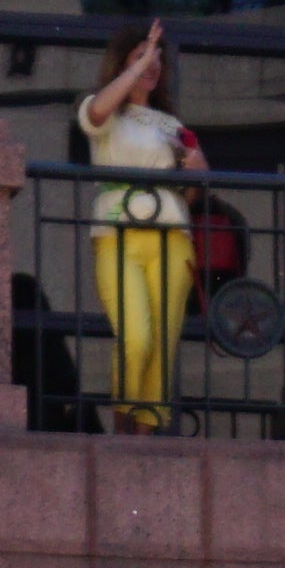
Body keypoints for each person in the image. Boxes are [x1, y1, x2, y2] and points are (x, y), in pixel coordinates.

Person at [72, 22, 202, 434]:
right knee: (136, 338)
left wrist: (196, 170)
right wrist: (135, 66)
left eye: (159, 57)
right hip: (117, 233)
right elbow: (94, 113)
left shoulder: (169, 123)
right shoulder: (104, 108)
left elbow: (196, 188)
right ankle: (121, 433)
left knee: (161, 345)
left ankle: (143, 444)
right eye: (143, 55)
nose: (154, 64)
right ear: (123, 61)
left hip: (172, 236)